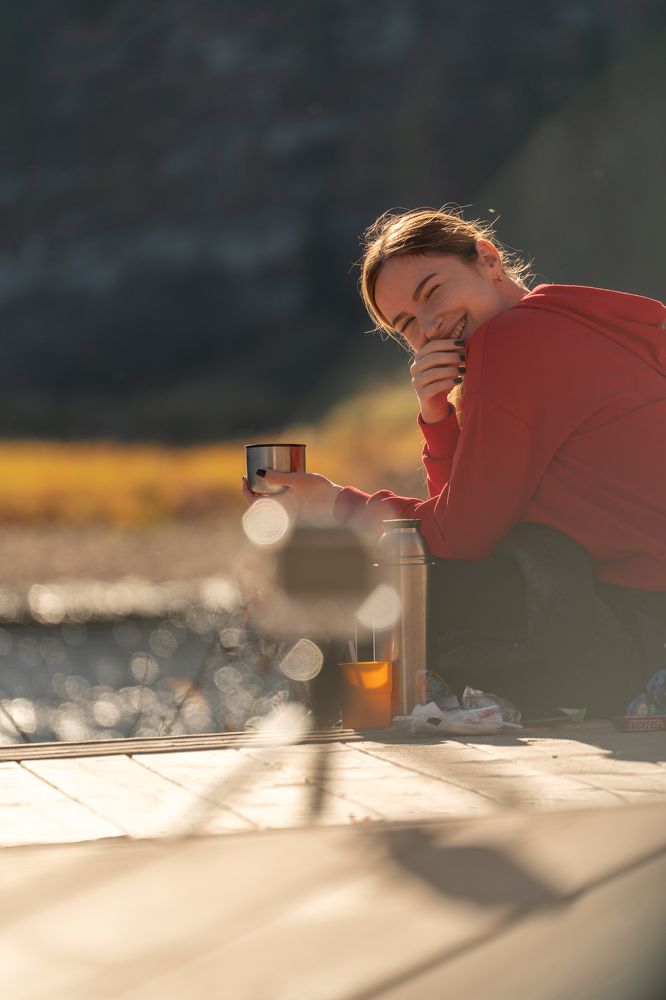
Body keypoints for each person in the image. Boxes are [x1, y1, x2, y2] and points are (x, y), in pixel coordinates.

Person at [242, 208, 666, 719]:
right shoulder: (566, 319)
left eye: (433, 292)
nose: (429, 326)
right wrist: (437, 415)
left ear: (487, 259)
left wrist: (335, 503)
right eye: (406, 326)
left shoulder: (513, 340)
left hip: (634, 631)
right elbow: (472, 513)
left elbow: (460, 537)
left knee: (379, 581)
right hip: (636, 617)